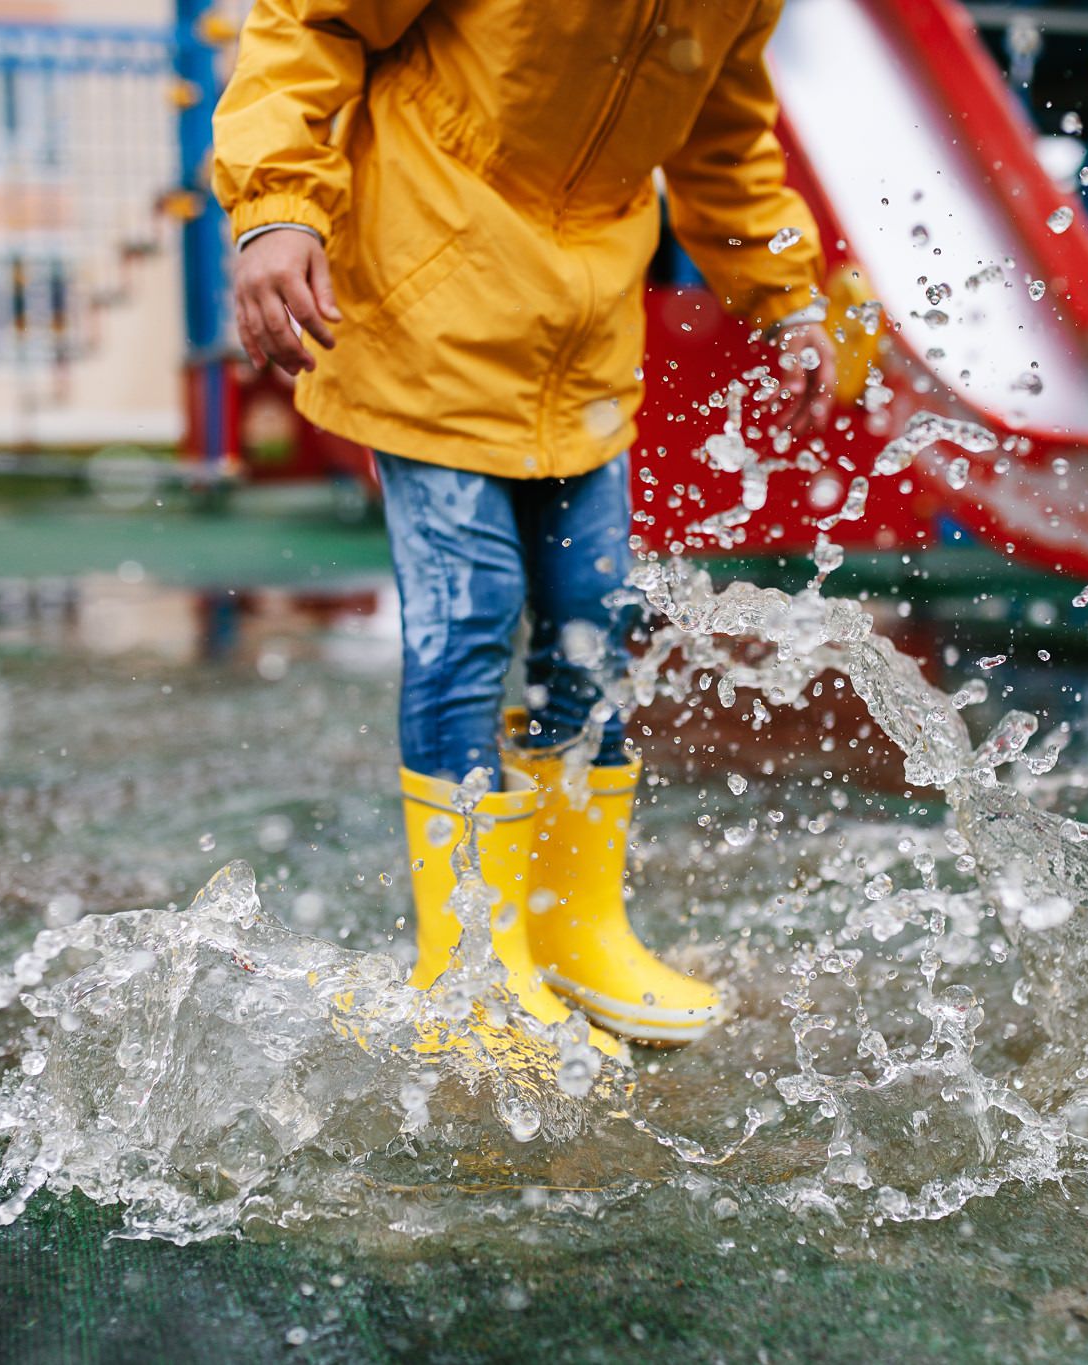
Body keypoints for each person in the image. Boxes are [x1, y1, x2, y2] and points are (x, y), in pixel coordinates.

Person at [213, 0, 833, 1057]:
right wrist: (278, 205)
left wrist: (787, 296)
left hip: (581, 330)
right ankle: (464, 967)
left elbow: (724, 138)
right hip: (429, 295)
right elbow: (308, 22)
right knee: (472, 618)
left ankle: (572, 931)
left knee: (592, 620)